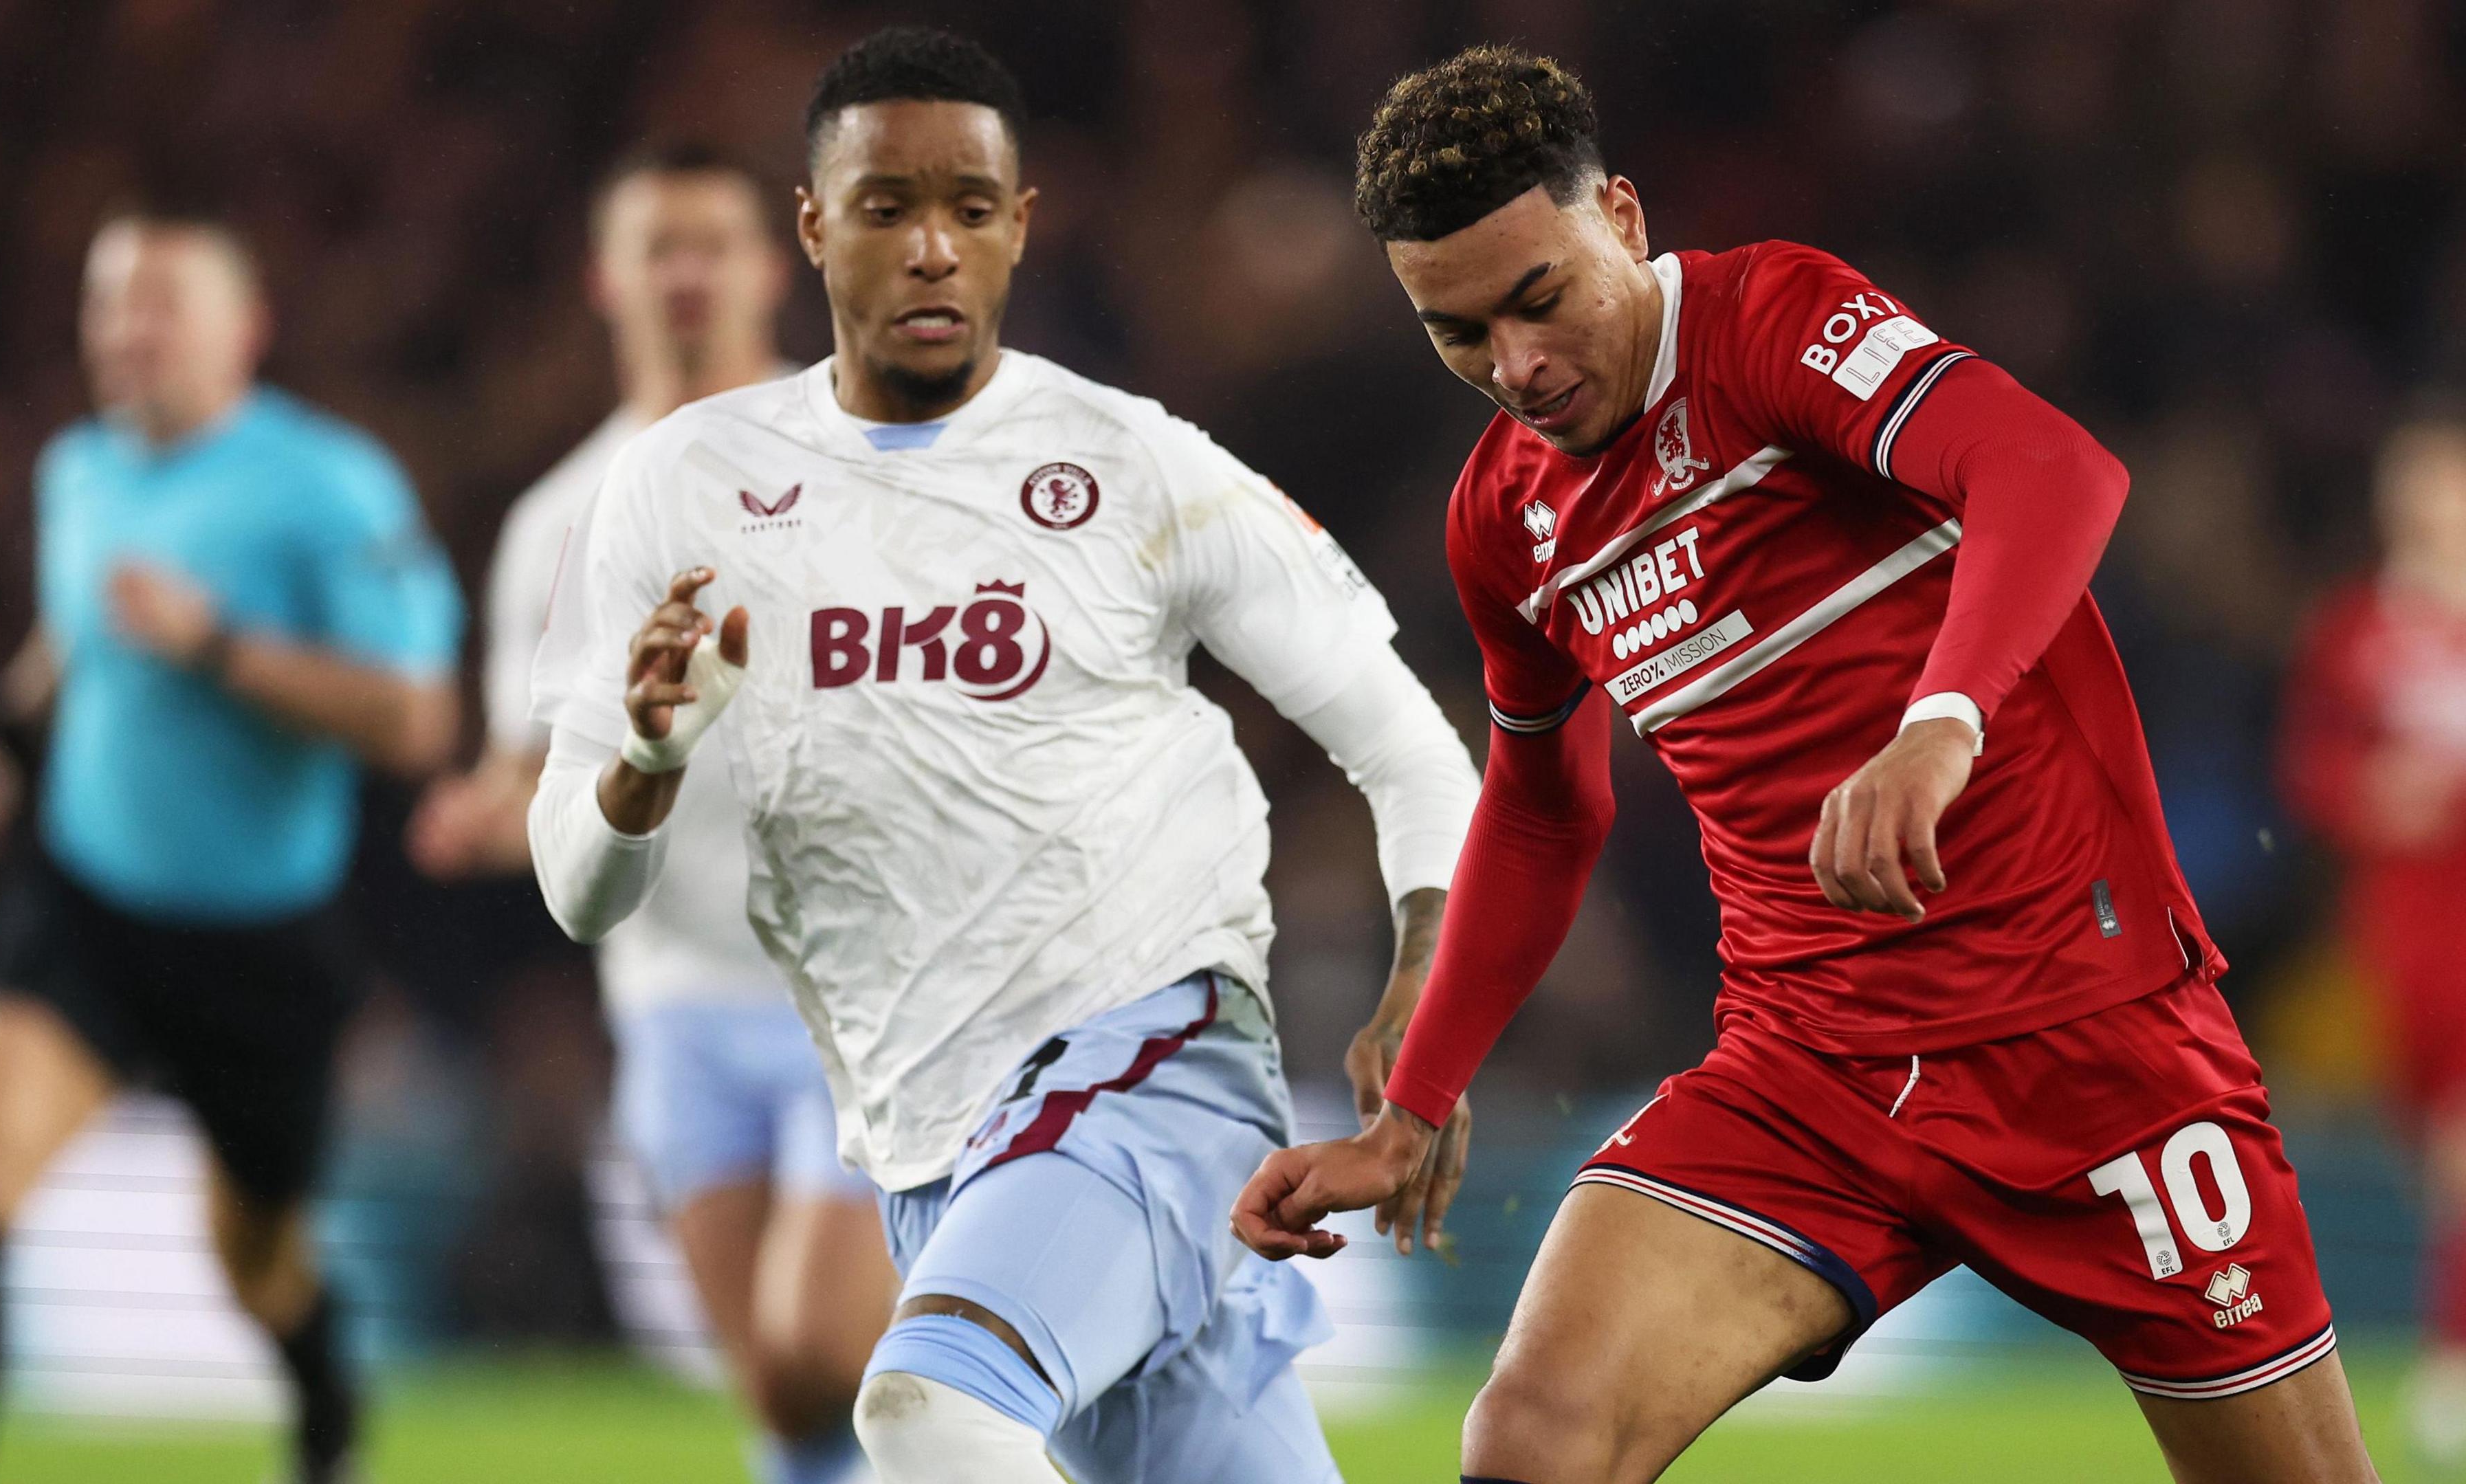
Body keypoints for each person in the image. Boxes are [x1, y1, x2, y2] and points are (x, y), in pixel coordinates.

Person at [1232, 45, 2380, 1484]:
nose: (1516, 368)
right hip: (1809, 1072)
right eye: (1457, 333)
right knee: (1532, 1438)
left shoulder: (1771, 321)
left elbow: (2052, 470)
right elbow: (1542, 809)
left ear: (1626, 222)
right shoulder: (1505, 520)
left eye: (1540, 298)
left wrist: (1938, 723)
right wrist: (1414, 1109)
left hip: (2093, 1049)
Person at [526, 26, 1482, 1484]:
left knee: (930, 1409)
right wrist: (645, 761)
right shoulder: (684, 489)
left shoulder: (1133, 462)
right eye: (886, 207)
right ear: (813, 225)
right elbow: (576, 890)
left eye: (969, 209)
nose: (929, 248)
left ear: (1020, 227)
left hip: (1145, 1065)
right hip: (928, 1143)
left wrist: (1428, 990)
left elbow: (1412, 747)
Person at [0, 209, 463, 1484]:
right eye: (108, 306)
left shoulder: (330, 486)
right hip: (84, 906)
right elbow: (73, 638)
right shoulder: (77, 471)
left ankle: (323, 1400)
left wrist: (220, 648)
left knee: (253, 1261)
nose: (123, 334)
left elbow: (419, 718)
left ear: (243, 331)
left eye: (160, 306)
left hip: (258, 945)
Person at [405, 141, 897, 1484]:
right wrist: (488, 818)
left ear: (767, 266)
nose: (684, 274)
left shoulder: (865, 468)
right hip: (674, 1004)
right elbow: (538, 769)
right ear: (605, 279)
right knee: (784, 1409)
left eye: (708, 245)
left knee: (819, 1350)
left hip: (857, 994)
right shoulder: (559, 522)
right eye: (654, 247)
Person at [2280, 410, 2466, 1468]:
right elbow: (2310, 770)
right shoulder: (2361, 628)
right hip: (2404, 931)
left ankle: (2453, 1361)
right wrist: (2372, 794)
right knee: (2436, 1153)